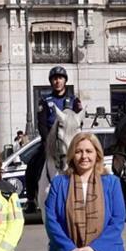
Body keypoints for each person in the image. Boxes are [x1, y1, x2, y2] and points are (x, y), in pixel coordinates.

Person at [26, 65, 83, 211]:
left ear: (65, 81)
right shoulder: (45, 101)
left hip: (70, 142)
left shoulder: (74, 101)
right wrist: (47, 142)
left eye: (60, 78)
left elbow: (78, 122)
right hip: (50, 142)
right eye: (55, 79)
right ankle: (31, 199)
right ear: (52, 82)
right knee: (33, 162)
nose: (58, 81)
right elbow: (42, 123)